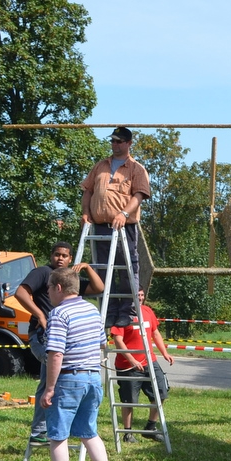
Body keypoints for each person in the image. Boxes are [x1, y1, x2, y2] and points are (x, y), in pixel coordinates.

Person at [40, 267, 118, 461]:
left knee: (58, 435)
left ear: (59, 288)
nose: (48, 293)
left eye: (49, 288)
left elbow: (56, 354)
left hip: (69, 379)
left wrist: (50, 388)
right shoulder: (92, 310)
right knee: (89, 432)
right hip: (93, 378)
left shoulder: (59, 314)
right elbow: (102, 343)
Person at [17, 241, 103, 444]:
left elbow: (99, 287)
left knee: (60, 374)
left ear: (70, 259)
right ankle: (40, 430)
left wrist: (87, 267)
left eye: (65, 255)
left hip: (62, 338)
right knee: (51, 371)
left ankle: (64, 424)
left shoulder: (69, 279)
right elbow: (20, 293)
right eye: (57, 254)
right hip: (41, 335)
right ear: (51, 255)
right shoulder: (42, 273)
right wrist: (40, 315)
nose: (60, 258)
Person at [80, 126, 151, 328]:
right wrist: (85, 212)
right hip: (100, 226)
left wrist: (123, 213)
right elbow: (88, 191)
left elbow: (139, 195)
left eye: (119, 141)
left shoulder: (136, 168)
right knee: (102, 269)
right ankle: (109, 311)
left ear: (129, 143)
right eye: (113, 141)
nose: (115, 144)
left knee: (127, 268)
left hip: (123, 227)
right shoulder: (100, 165)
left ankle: (126, 312)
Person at [110, 288, 174, 443]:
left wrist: (164, 353)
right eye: (136, 295)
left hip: (150, 362)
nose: (139, 298)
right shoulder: (122, 314)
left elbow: (155, 333)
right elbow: (118, 340)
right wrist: (132, 360)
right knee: (129, 400)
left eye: (141, 295)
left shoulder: (147, 311)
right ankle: (128, 433)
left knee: (161, 392)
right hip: (128, 365)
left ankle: (150, 428)